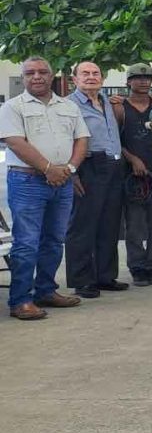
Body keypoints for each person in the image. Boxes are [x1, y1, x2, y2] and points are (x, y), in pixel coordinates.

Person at [0, 57, 89, 320]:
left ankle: (46, 291)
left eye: (42, 72)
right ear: (23, 78)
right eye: (30, 73)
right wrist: (48, 168)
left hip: (63, 182)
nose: (36, 76)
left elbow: (81, 139)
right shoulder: (12, 107)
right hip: (27, 182)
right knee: (27, 243)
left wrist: (69, 169)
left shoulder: (69, 106)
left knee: (54, 240)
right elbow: (16, 142)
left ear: (52, 76)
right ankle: (20, 300)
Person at [65, 61, 128, 298]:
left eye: (95, 73)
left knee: (110, 224)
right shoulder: (68, 105)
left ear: (102, 78)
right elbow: (64, 140)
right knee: (83, 225)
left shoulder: (108, 102)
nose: (91, 77)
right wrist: (72, 173)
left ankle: (105, 276)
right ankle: (82, 280)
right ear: (74, 79)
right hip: (88, 166)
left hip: (114, 165)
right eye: (85, 73)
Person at [115, 63, 152, 287]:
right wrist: (132, 159)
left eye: (147, 78)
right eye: (137, 78)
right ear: (128, 81)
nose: (143, 81)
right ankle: (137, 267)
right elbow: (113, 141)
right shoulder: (120, 108)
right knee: (135, 227)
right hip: (133, 178)